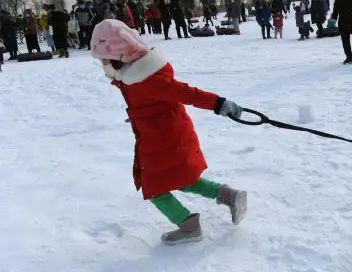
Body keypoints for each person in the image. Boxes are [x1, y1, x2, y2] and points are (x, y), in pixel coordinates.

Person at [89, 19, 248, 244]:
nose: (103, 67)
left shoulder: (147, 80)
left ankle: (189, 226)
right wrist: (139, 116)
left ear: (119, 57)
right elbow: (150, 103)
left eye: (104, 61)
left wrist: (218, 103)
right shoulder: (133, 77)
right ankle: (229, 196)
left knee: (155, 189)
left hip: (166, 141)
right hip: (164, 137)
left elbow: (185, 93)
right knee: (184, 180)